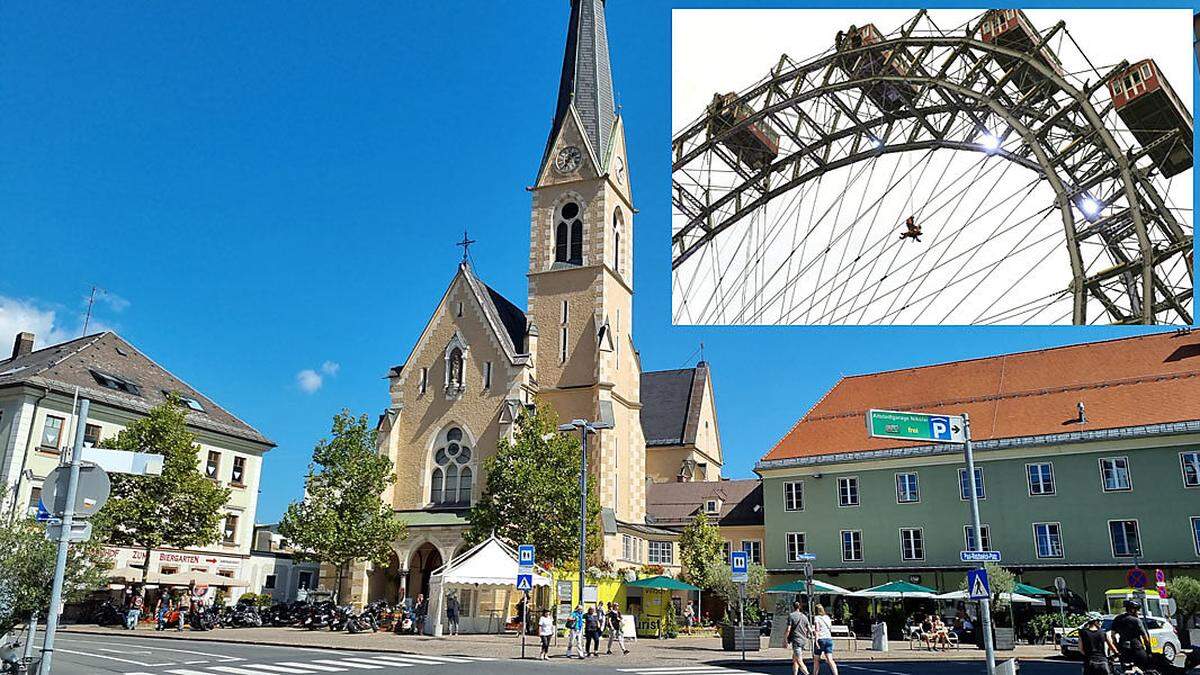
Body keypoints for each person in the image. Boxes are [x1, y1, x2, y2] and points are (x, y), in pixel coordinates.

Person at [1110, 599, 1151, 671]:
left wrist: (1117, 647)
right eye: (1137, 610)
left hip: (1123, 649)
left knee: (1126, 670)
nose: (1138, 612)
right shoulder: (1136, 620)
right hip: (1137, 648)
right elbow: (1145, 638)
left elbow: (1112, 635)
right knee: (1143, 669)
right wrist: (1148, 651)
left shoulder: (1117, 619)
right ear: (1133, 610)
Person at [784, 600, 812, 675]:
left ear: (793, 607)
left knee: (799, 660)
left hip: (796, 640)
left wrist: (785, 639)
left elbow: (788, 629)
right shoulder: (804, 616)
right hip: (803, 640)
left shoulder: (791, 616)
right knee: (795, 659)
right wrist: (808, 635)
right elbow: (809, 629)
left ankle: (807, 673)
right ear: (799, 607)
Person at [812, 604, 839, 675]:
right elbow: (829, 628)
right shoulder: (827, 617)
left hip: (821, 639)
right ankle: (835, 673)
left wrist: (816, 640)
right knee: (830, 659)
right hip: (828, 639)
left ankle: (815, 673)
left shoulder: (817, 618)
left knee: (816, 659)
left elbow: (817, 629)